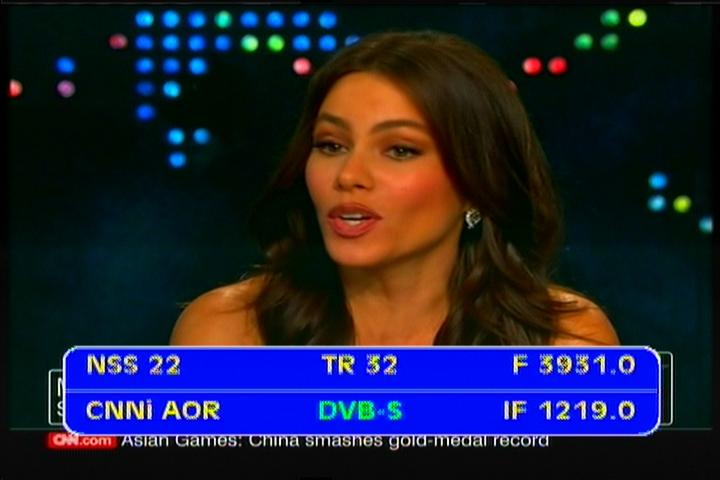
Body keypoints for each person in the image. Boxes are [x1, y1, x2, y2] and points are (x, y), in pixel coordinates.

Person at [170, 30, 619, 347]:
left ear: (477, 185)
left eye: (400, 150)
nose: (349, 175)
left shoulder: (565, 343)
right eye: (331, 145)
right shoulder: (228, 333)